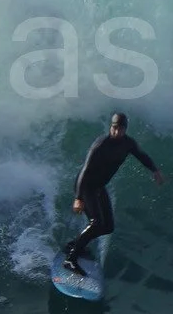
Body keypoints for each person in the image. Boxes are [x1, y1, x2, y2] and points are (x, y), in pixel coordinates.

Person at [62, 112, 164, 275]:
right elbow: (85, 171)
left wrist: (155, 170)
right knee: (96, 223)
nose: (116, 132)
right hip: (86, 186)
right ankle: (70, 259)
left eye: (120, 129)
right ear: (111, 127)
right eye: (114, 128)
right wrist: (79, 198)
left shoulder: (128, 144)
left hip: (99, 188)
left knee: (108, 227)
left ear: (125, 129)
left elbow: (141, 155)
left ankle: (74, 245)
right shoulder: (100, 144)